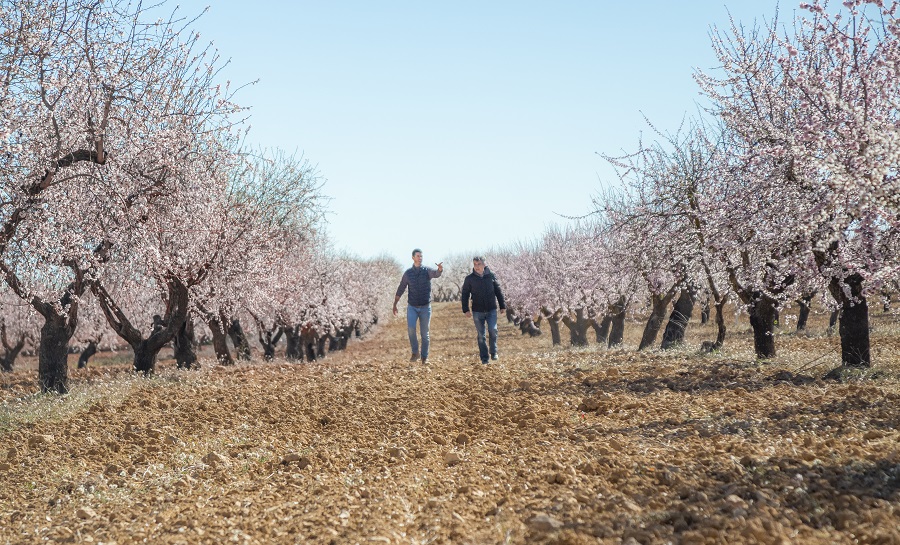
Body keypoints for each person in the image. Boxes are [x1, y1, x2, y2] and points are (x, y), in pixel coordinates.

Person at [393, 248, 443, 363]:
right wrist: (395, 304)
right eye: (418, 256)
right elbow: (401, 288)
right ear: (413, 258)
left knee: (425, 333)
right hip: (412, 307)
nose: (420, 258)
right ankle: (415, 352)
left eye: (421, 256)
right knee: (411, 330)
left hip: (425, 307)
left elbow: (436, 274)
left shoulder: (427, 271)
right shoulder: (408, 273)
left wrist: (440, 270)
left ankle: (424, 357)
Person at [461, 256, 506, 364]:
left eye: (479, 264)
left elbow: (498, 291)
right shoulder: (469, 279)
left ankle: (494, 352)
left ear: (484, 265)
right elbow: (465, 294)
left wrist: (502, 306)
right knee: (481, 335)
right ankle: (484, 358)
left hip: (491, 309)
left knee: (493, 330)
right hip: (477, 311)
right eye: (475, 264)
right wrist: (466, 309)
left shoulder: (491, 276)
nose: (477, 266)